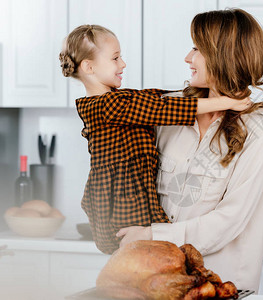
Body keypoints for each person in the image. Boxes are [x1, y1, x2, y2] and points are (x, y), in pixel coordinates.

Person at [117, 8, 263, 292]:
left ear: (224, 55)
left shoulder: (259, 127)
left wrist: (152, 235)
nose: (188, 58)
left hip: (220, 284)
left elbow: (230, 218)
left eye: (197, 48)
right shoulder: (169, 111)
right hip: (161, 281)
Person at [59, 24, 250, 254]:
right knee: (147, 255)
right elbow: (163, 107)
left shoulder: (120, 99)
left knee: (156, 253)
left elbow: (156, 97)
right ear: (89, 66)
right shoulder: (106, 105)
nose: (123, 64)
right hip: (123, 197)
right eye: (115, 58)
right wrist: (227, 102)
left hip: (138, 189)